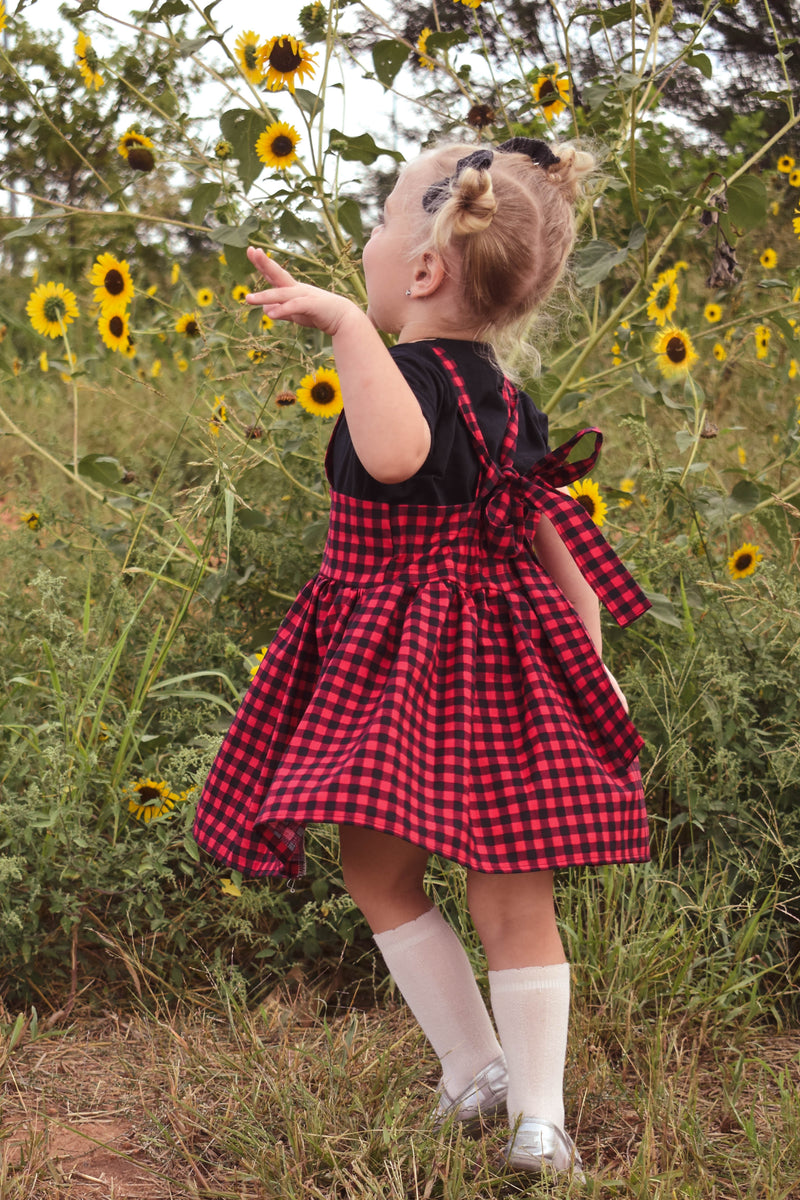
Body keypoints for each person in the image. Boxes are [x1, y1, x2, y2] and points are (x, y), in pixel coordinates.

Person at [193, 137, 651, 1182]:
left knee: (439, 880)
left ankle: (528, 1105)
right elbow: (553, 530)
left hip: (416, 667)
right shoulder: (496, 391)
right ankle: (491, 1085)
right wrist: (587, 652)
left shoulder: (401, 375)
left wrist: (349, 324)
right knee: (469, 884)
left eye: (380, 219)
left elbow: (396, 453)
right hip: (484, 664)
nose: (364, 239)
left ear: (425, 270)